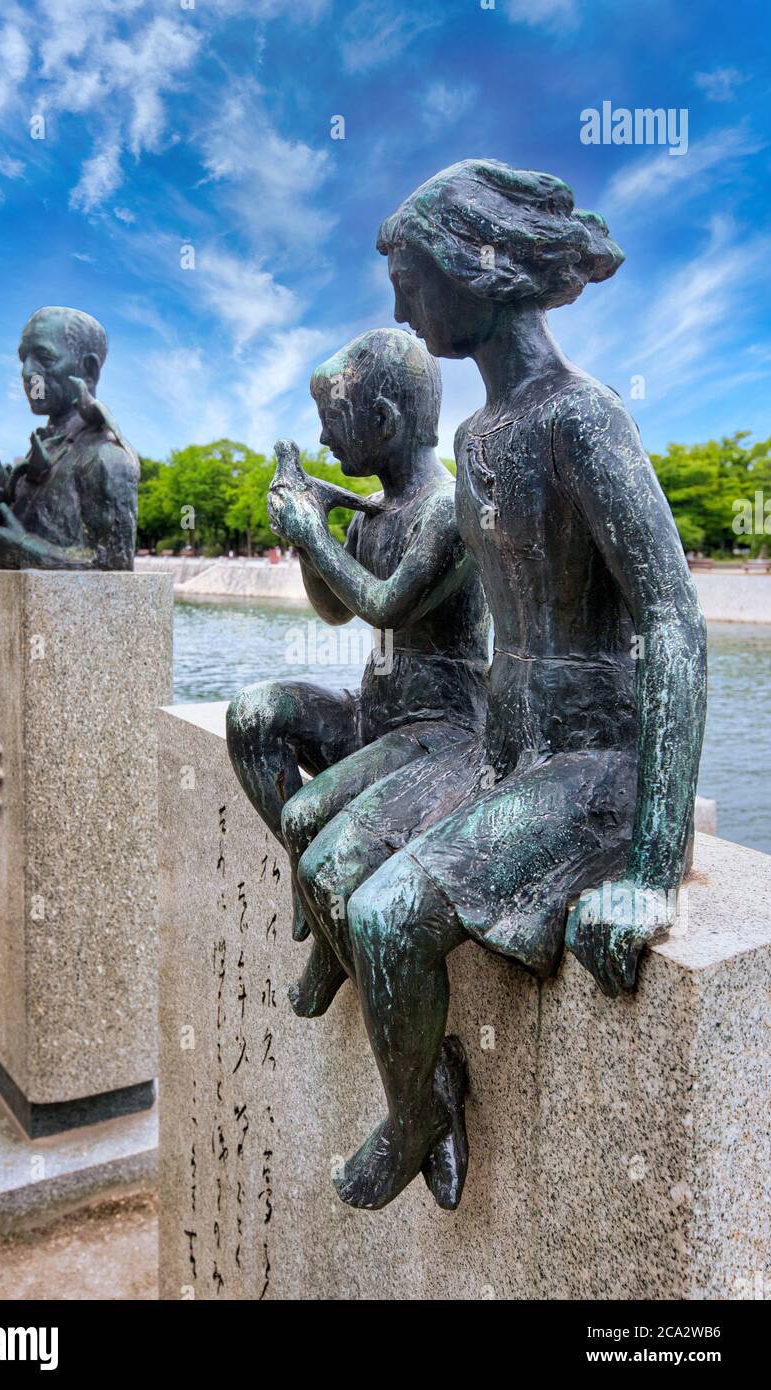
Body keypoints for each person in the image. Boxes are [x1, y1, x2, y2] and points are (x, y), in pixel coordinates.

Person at [287, 160, 707, 1211]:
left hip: (591, 764)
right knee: (328, 868)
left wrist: (652, 871)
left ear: (474, 266)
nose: (401, 311)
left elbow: (672, 619)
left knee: (388, 918)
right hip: (500, 746)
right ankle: (422, 1074)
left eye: (410, 284)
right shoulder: (478, 435)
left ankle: (416, 1115)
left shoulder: (583, 418)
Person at [226, 328, 491, 1027]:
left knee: (305, 817)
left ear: (383, 419)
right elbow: (334, 610)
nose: (322, 437)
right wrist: (309, 537)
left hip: (439, 731)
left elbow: (386, 605)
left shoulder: (447, 510)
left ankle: (327, 931)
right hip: (375, 714)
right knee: (253, 715)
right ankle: (320, 904)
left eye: (333, 419)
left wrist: (313, 532)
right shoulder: (372, 516)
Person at [0, 307, 138, 570]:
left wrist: (22, 546)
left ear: (88, 370)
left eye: (44, 358)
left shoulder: (107, 455)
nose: (27, 373)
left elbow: (113, 563)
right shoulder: (41, 450)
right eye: (23, 359)